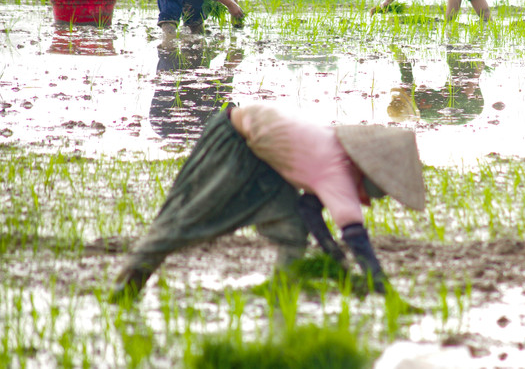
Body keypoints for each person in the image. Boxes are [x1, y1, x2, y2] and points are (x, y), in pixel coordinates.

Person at [109, 104, 426, 302]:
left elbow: (307, 209)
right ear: (364, 176)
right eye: (371, 195)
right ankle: (130, 281)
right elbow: (357, 239)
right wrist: (383, 289)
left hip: (264, 159)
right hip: (233, 142)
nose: (367, 203)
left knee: (291, 230)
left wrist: (330, 252)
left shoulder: (333, 153)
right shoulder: (336, 174)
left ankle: (281, 292)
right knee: (191, 219)